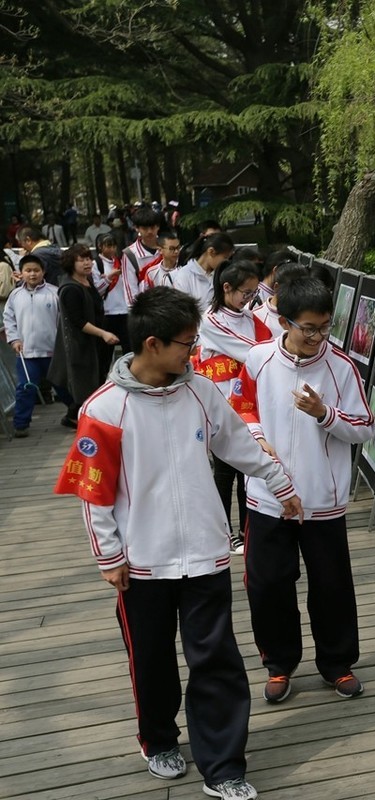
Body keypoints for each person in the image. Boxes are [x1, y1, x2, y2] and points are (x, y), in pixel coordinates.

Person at [53, 286, 302, 800]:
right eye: (187, 344)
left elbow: (237, 442)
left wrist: (280, 483)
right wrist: (110, 556)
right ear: (152, 343)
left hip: (206, 555)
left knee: (216, 659)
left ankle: (224, 765)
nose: (196, 353)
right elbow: (93, 493)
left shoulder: (200, 393)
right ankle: (159, 739)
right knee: (151, 658)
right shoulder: (104, 408)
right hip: (140, 563)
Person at [237, 276, 374, 704]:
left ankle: (337, 664)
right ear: (283, 322)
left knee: (331, 585)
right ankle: (279, 665)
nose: (318, 337)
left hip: (322, 500)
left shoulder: (341, 367)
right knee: (268, 585)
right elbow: (241, 410)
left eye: (325, 327)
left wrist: (325, 413)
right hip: (266, 497)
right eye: (308, 328)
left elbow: (365, 428)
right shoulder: (257, 360)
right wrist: (258, 439)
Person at [196, 260, 272, 553]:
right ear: (226, 288)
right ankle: (224, 531)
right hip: (222, 403)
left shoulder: (251, 317)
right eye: (245, 292)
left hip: (250, 402)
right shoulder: (211, 319)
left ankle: (246, 530)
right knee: (225, 471)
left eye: (254, 292)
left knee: (248, 470)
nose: (250, 298)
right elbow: (252, 350)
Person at [3, 255, 71, 436]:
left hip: (52, 353)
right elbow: (9, 319)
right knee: (26, 387)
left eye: (36, 270)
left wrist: (62, 345)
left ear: (43, 272)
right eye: (28, 270)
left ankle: (75, 415)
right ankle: (21, 424)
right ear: (21, 273)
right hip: (26, 354)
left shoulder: (54, 293)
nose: (32, 274)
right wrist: (14, 339)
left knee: (62, 386)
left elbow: (62, 321)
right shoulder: (15, 296)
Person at [50, 243, 118, 426]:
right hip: (80, 344)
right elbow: (77, 321)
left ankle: (79, 416)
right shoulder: (70, 288)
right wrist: (103, 333)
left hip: (94, 342)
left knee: (95, 380)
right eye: (82, 260)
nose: (87, 263)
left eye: (89, 259)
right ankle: (79, 417)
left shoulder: (87, 281)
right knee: (83, 383)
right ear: (72, 263)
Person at [91, 233, 126, 369]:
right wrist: (108, 278)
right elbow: (97, 290)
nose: (112, 249)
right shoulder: (96, 264)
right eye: (108, 246)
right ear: (100, 247)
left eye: (113, 246)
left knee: (129, 350)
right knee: (105, 353)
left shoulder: (121, 262)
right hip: (106, 312)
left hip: (124, 311)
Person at [175, 232, 235, 310]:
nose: (226, 262)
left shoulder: (222, 275)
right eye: (225, 257)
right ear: (211, 252)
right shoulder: (184, 275)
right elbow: (182, 310)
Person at [253, 261, 306, 337]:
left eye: (301, 290)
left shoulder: (305, 316)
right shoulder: (256, 316)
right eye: (291, 290)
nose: (297, 295)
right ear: (276, 287)